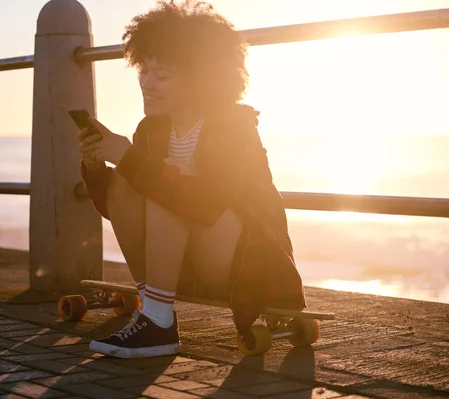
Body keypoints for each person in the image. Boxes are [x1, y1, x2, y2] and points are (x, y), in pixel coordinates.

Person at [78, 0, 306, 359]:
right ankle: (155, 312)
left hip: (244, 266)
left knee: (169, 179)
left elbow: (206, 203)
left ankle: (157, 321)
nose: (147, 84)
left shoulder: (233, 127)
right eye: (144, 71)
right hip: (181, 265)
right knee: (128, 179)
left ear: (201, 80)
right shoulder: (152, 130)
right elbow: (127, 210)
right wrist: (97, 168)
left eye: (163, 75)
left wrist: (130, 158)